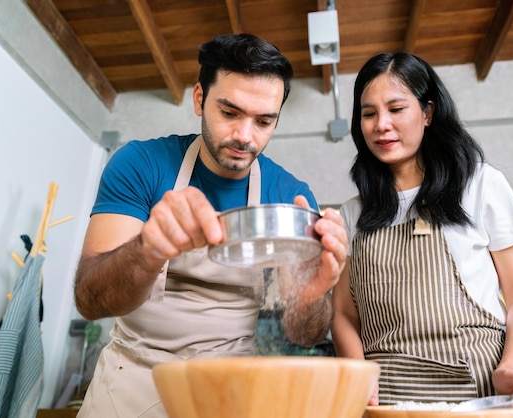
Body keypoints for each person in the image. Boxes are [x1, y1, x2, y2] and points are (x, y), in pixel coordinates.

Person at [73, 33, 348, 417]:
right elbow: (89, 299)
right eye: (230, 112)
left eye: (264, 121)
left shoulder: (290, 195)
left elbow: (302, 333)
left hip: (232, 389)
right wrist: (147, 250)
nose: (245, 136)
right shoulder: (140, 164)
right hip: (132, 381)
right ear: (200, 99)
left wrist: (312, 293)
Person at [331, 51, 513, 417]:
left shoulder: (480, 185)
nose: (381, 124)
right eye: (368, 113)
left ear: (427, 113)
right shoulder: (351, 213)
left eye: (396, 109)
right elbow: (345, 314)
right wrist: (358, 376)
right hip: (387, 404)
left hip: (478, 392)